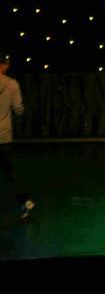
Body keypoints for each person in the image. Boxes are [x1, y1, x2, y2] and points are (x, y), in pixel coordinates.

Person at [0, 52, 34, 218]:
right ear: (4, 65)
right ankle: (25, 201)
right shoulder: (12, 84)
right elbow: (18, 109)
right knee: (10, 172)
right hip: (3, 134)